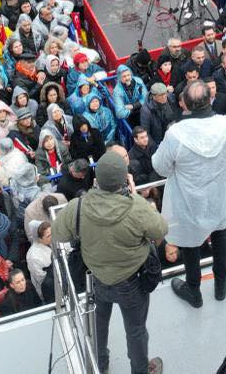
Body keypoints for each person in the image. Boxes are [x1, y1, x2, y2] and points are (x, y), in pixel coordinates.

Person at [52, 149, 167, 374]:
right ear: (124, 178)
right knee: (136, 331)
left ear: (96, 179)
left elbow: (58, 234)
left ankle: (100, 367)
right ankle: (140, 370)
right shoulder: (135, 205)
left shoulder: (79, 206)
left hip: (97, 280)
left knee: (98, 327)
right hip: (133, 283)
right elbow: (160, 229)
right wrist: (133, 195)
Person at [152, 79, 226, 307]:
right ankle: (220, 283)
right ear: (210, 99)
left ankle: (194, 289)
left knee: (190, 242)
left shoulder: (175, 134)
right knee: (220, 231)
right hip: (217, 195)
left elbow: (161, 167)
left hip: (188, 200)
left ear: (184, 104)